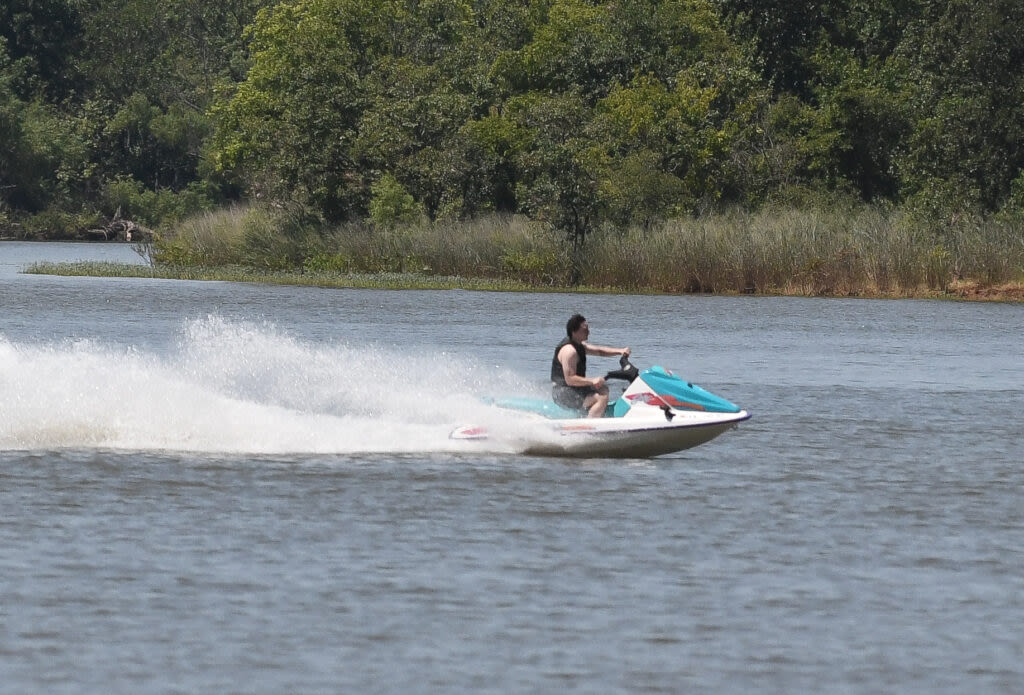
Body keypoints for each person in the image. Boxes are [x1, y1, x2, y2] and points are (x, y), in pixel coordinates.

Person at [551, 314, 630, 418]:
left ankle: (592, 412)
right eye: (585, 329)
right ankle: (591, 425)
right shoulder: (569, 351)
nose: (589, 332)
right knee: (600, 397)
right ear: (574, 332)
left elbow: (599, 351)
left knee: (603, 388)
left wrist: (620, 351)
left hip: (572, 389)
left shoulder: (579, 345)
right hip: (563, 393)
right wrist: (592, 381)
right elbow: (570, 379)